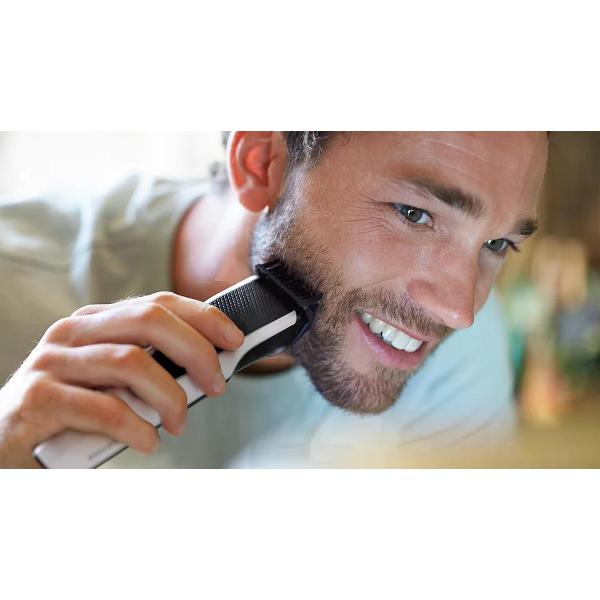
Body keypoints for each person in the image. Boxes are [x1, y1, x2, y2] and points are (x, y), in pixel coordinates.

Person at [0, 132, 547, 468]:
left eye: (496, 244)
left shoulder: (456, 357)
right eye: (414, 214)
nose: (459, 310)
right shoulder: (14, 283)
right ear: (263, 164)